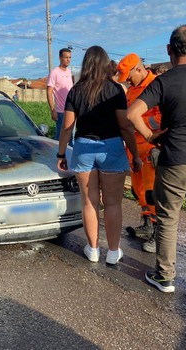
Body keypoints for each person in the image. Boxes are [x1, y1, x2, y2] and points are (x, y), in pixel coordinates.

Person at [127, 25, 186, 299]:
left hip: (174, 162)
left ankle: (165, 276)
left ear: (169, 50)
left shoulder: (163, 82)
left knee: (168, 220)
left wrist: (152, 136)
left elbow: (133, 113)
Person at [57, 46, 141, 265]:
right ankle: (113, 252)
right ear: (105, 64)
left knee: (89, 203)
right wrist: (135, 155)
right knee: (113, 204)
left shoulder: (76, 90)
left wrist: (61, 153)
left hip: (84, 148)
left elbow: (67, 127)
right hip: (112, 147)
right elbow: (125, 126)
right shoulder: (115, 90)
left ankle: (93, 249)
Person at [117, 53, 162, 253]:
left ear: (138, 68)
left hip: (150, 146)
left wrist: (139, 124)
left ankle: (159, 234)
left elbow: (162, 119)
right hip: (134, 147)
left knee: (153, 193)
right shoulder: (132, 90)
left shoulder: (156, 86)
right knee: (139, 190)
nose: (126, 79)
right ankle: (147, 223)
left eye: (128, 75)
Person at [47, 48, 73, 145]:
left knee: (71, 138)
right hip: (61, 112)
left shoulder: (69, 72)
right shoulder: (54, 73)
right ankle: (58, 158)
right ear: (60, 58)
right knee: (60, 138)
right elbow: (49, 91)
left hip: (71, 111)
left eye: (69, 57)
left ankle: (69, 159)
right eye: (66, 57)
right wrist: (52, 110)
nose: (68, 60)